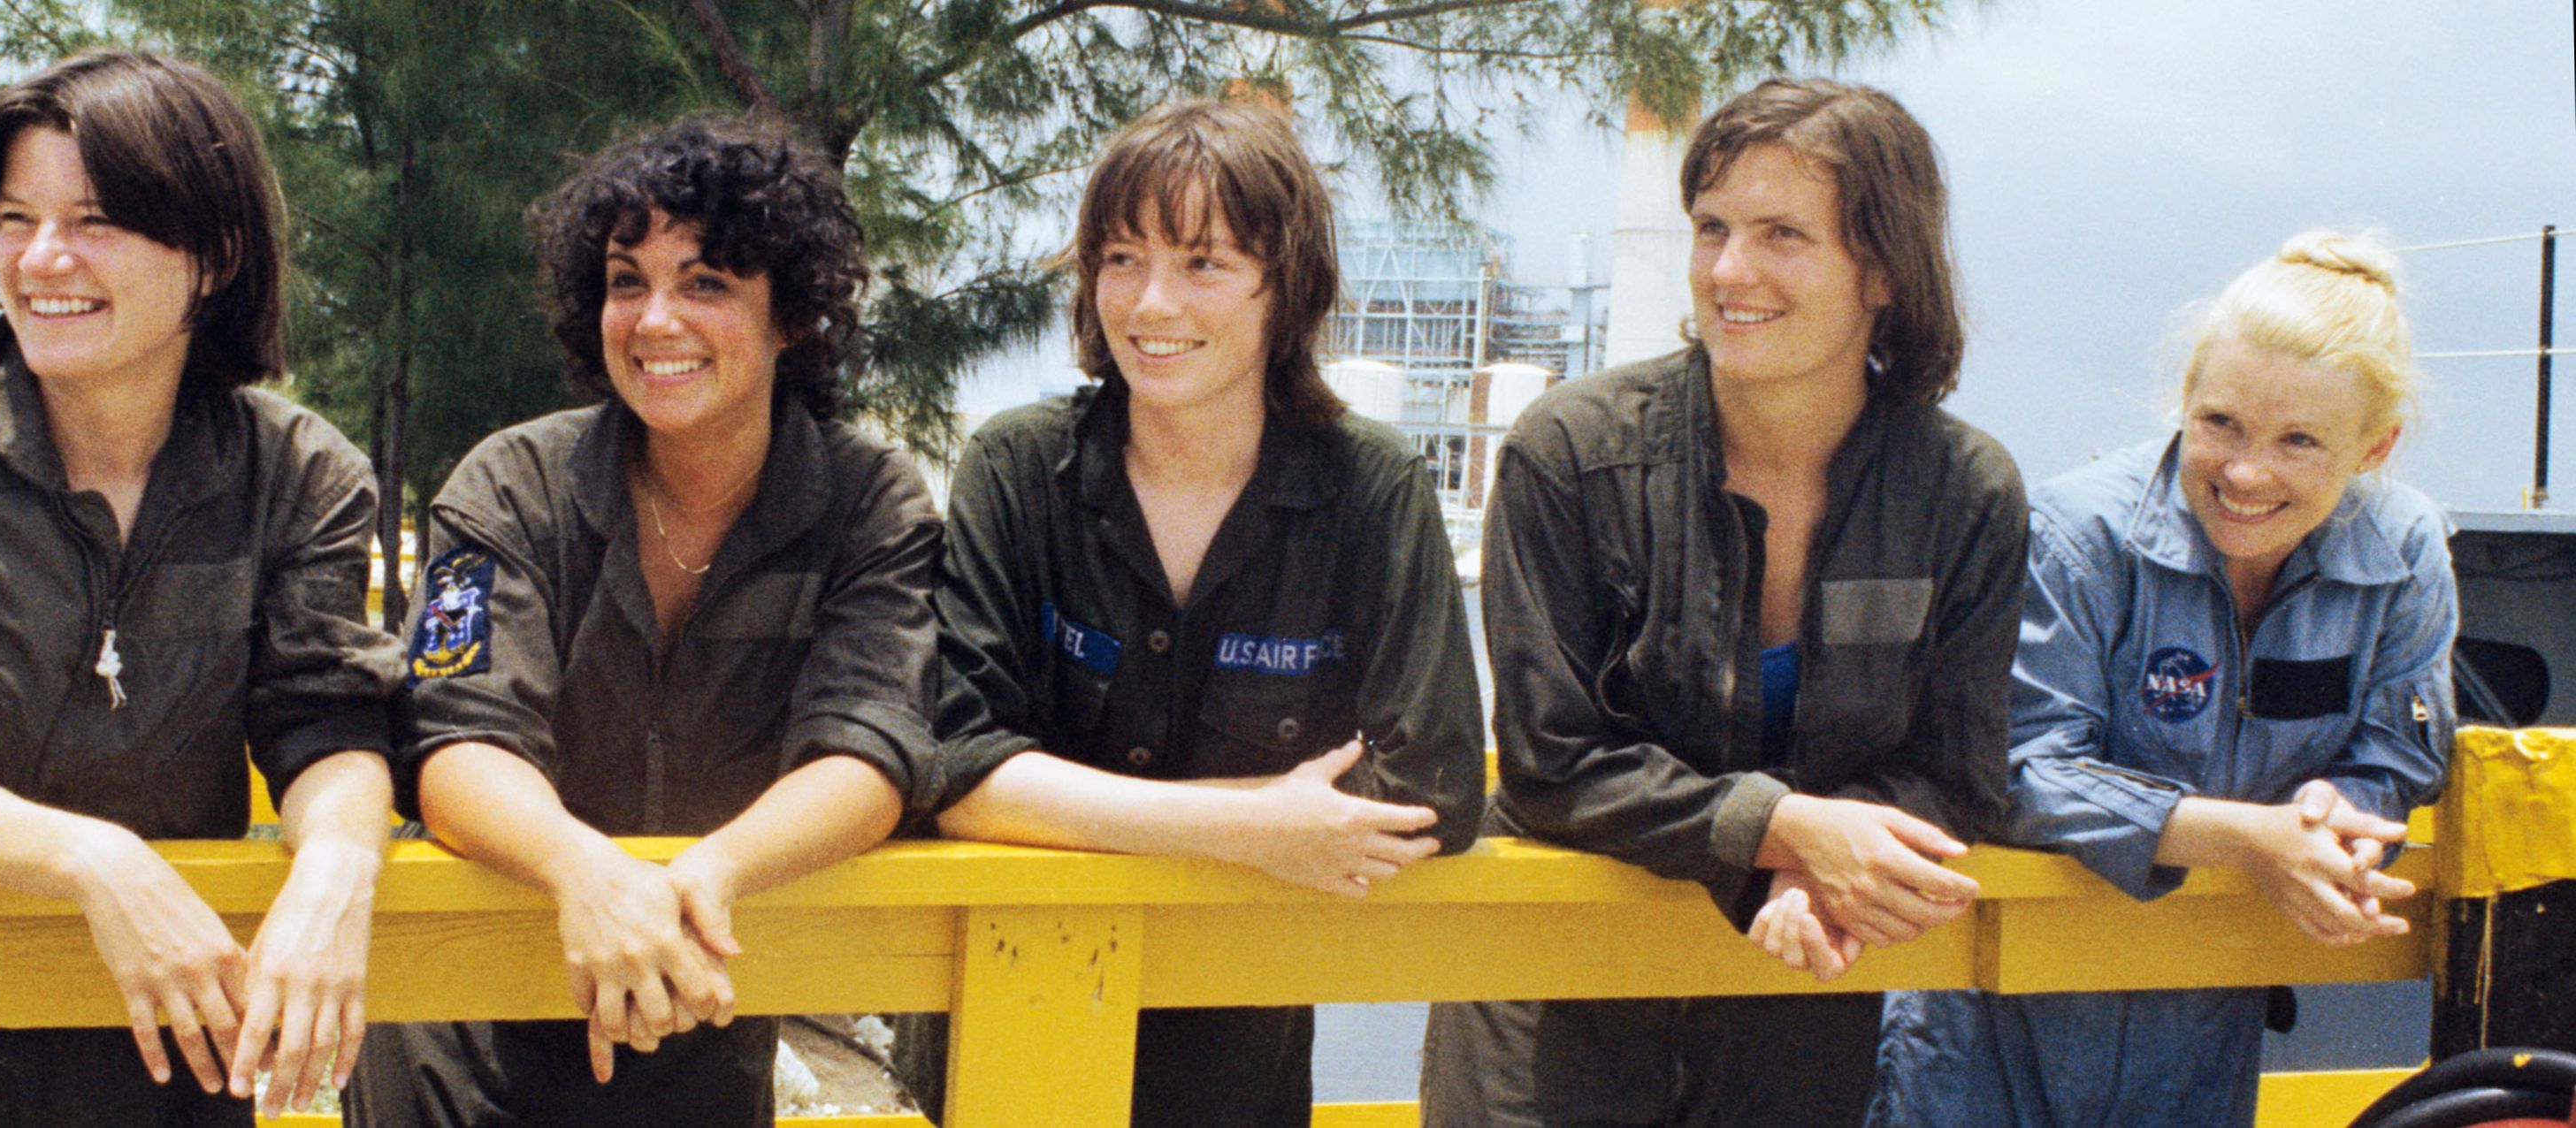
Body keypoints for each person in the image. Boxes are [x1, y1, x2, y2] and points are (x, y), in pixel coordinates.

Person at [0, 50, 400, 1125]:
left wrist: (336, 866)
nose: (42, 257)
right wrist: (101, 864)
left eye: (95, 219)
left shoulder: (301, 472)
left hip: (163, 1058)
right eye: (16, 217)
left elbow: (325, 713)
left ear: (216, 254)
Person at [1419, 76, 2028, 1127]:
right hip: (1554, 1007)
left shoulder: (1963, 494)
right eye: (1711, 228)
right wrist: (1788, 830)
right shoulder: (1570, 454)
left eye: (1783, 234)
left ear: (1882, 267)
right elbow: (1553, 759)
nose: (1729, 272)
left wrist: (1817, 871)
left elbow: (1956, 771)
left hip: (1797, 985)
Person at [892, 95, 1485, 1127]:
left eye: (1203, 263)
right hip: (1004, 1027)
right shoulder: (1018, 466)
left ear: (1282, 290)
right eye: (1121, 258)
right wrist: (1260, 823)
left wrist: (1055, 801)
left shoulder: (1369, 487)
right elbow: (953, 762)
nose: (1152, 302)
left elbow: (1431, 782)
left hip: (1236, 1054)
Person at [342, 113, 940, 1126]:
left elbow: (872, 748)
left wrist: (705, 871)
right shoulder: (507, 485)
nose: (656, 317)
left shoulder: (869, 501)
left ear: (789, 313)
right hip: (456, 1045)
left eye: (705, 282)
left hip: (700, 1030)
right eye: (628, 281)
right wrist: (586, 871)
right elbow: (455, 735)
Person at [1868, 231, 2453, 1128]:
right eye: (2220, 423)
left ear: (2377, 448)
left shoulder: (2405, 551)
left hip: (2199, 1024)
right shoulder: (2076, 533)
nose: (2247, 472)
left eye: (2300, 440)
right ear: (2184, 398)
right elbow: (2016, 767)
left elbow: (2402, 753)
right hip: (1992, 1031)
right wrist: (2253, 839)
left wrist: (2338, 808)